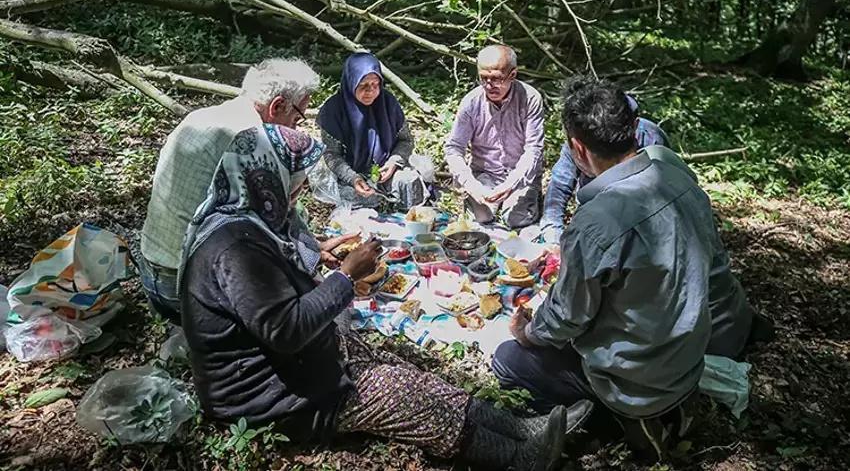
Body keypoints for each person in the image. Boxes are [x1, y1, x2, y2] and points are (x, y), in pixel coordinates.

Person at [178, 122, 594, 471]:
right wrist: (344, 276)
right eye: (295, 181)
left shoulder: (247, 221)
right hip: (266, 393)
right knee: (401, 395)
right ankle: (519, 457)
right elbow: (284, 330)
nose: (299, 192)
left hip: (295, 362)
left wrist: (321, 261)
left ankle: (522, 428)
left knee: (408, 373)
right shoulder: (235, 249)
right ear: (265, 176)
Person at [492, 78, 735, 461]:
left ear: (578, 149)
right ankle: (662, 410)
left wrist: (528, 332)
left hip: (635, 382)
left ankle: (616, 424)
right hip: (688, 361)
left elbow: (566, 320)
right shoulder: (678, 177)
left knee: (508, 360)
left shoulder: (595, 223)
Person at [139, 58, 353, 324]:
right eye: (296, 119)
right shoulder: (252, 141)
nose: (296, 128)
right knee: (315, 310)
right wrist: (320, 263)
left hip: (151, 269)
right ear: (277, 106)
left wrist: (311, 244)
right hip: (184, 288)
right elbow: (272, 229)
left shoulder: (203, 116)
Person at [540, 93, 674, 244]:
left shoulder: (652, 139)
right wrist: (553, 233)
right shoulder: (582, 138)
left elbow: (663, 194)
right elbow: (560, 184)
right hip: (592, 209)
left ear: (635, 125)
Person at [444, 45, 545, 229]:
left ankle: (528, 200)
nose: (489, 86)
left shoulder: (530, 99)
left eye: (497, 79)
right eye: (484, 78)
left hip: (520, 176)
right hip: (485, 175)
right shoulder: (471, 102)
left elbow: (534, 149)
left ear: (512, 75)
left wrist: (510, 184)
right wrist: (471, 184)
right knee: (481, 218)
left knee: (516, 219)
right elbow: (453, 148)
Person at [317, 52, 426, 210]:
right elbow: (331, 155)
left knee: (409, 181)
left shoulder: (388, 103)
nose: (370, 91)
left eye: (375, 85)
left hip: (384, 172)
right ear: (351, 82)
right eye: (363, 86)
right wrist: (353, 178)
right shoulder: (333, 110)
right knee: (349, 196)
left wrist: (393, 162)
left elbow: (405, 140)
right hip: (350, 177)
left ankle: (402, 215)